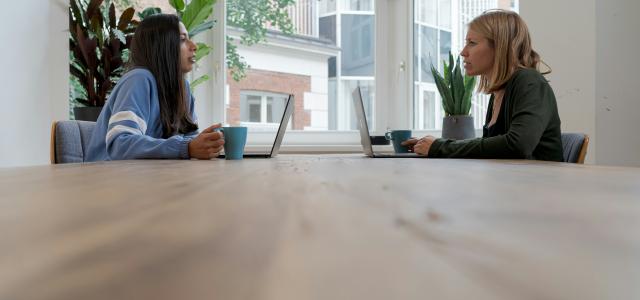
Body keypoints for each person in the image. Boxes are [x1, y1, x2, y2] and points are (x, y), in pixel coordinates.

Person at [403, 10, 563, 161]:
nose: (463, 52)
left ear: (500, 47)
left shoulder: (530, 82)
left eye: (472, 43)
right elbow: (492, 147)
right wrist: (434, 145)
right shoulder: (500, 91)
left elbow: (518, 145)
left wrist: (440, 147)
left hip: (539, 187)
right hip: (513, 185)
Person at [86, 14, 224, 161]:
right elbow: (120, 144)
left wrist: (206, 144)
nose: (194, 46)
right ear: (162, 46)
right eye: (182, 39)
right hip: (105, 178)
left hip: (149, 177)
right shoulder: (139, 79)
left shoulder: (183, 88)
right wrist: (186, 147)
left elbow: (189, 139)